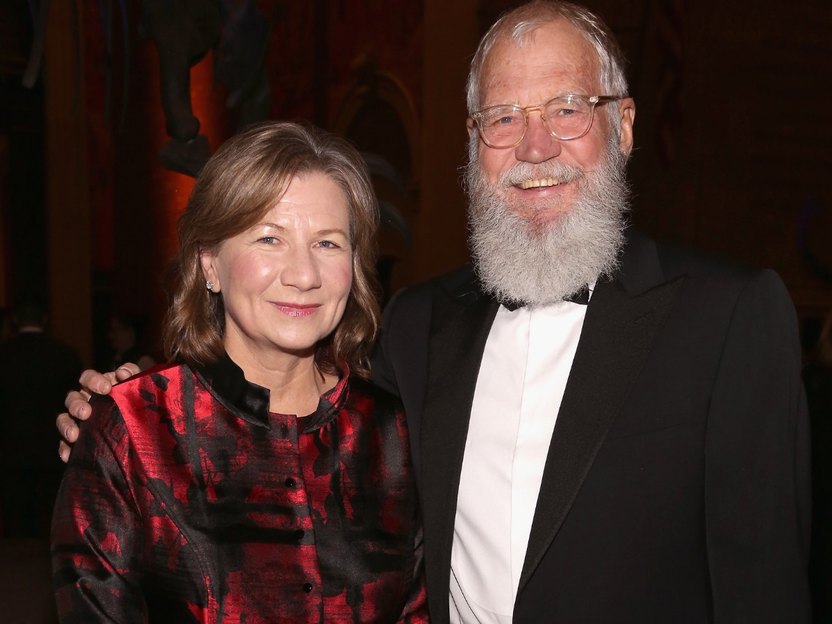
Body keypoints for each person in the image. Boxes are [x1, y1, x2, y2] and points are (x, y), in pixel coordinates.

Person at [59, 1, 811, 622]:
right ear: (474, 144)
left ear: (624, 125)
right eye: (504, 118)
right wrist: (125, 406)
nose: (535, 145)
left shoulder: (729, 317)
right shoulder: (420, 325)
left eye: (568, 108)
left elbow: (766, 591)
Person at [51, 121, 427, 622]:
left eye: (328, 243)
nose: (303, 275)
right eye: (269, 238)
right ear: (209, 262)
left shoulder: (394, 433)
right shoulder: (134, 431)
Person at [0, 300, 81, 537]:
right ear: (45, 319)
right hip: (54, 450)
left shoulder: (4, 354)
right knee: (55, 524)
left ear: (15, 321)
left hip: (12, 451)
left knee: (17, 527)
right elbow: (76, 402)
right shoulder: (64, 355)